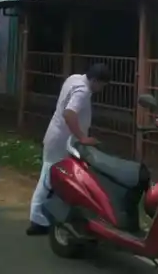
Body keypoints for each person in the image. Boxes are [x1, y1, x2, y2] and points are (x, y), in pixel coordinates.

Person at [26, 63, 111, 236]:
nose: (101, 89)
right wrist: (82, 138)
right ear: (95, 80)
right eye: (102, 85)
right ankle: (37, 219)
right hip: (60, 140)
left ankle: (48, 213)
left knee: (56, 177)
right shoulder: (83, 91)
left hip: (59, 137)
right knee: (48, 177)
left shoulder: (74, 78)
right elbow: (69, 114)